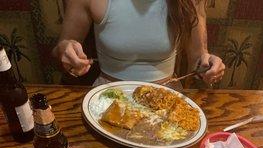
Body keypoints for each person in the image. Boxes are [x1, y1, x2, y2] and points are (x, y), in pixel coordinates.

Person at [53, 0, 225, 86]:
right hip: (107, 97)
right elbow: (60, 49)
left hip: (166, 96)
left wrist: (207, 64)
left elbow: (198, 57)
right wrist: (65, 51)